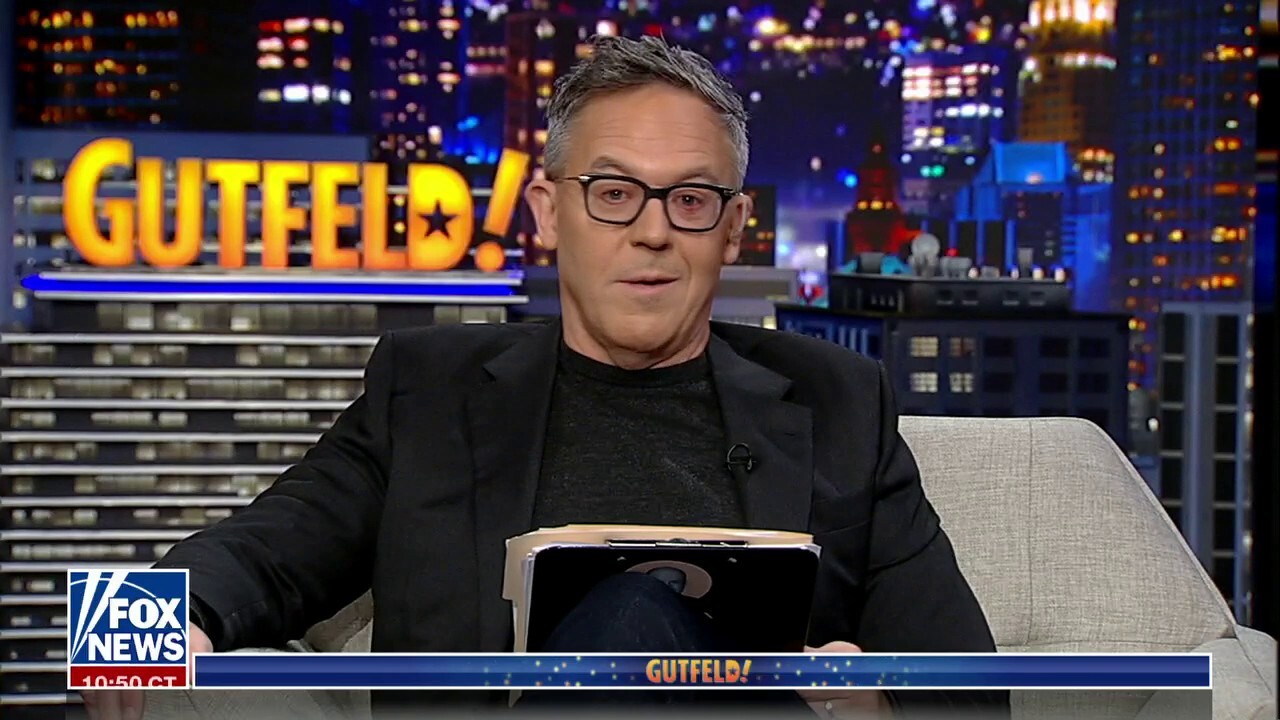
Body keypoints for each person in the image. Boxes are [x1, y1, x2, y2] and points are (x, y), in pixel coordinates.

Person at [82, 34, 1007, 720]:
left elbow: (970, 687)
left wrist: (870, 706)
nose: (653, 232)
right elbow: (264, 548)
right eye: (614, 194)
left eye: (691, 200)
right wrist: (135, 624)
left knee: (638, 617)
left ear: (732, 231)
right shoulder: (428, 391)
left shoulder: (841, 400)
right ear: (548, 212)